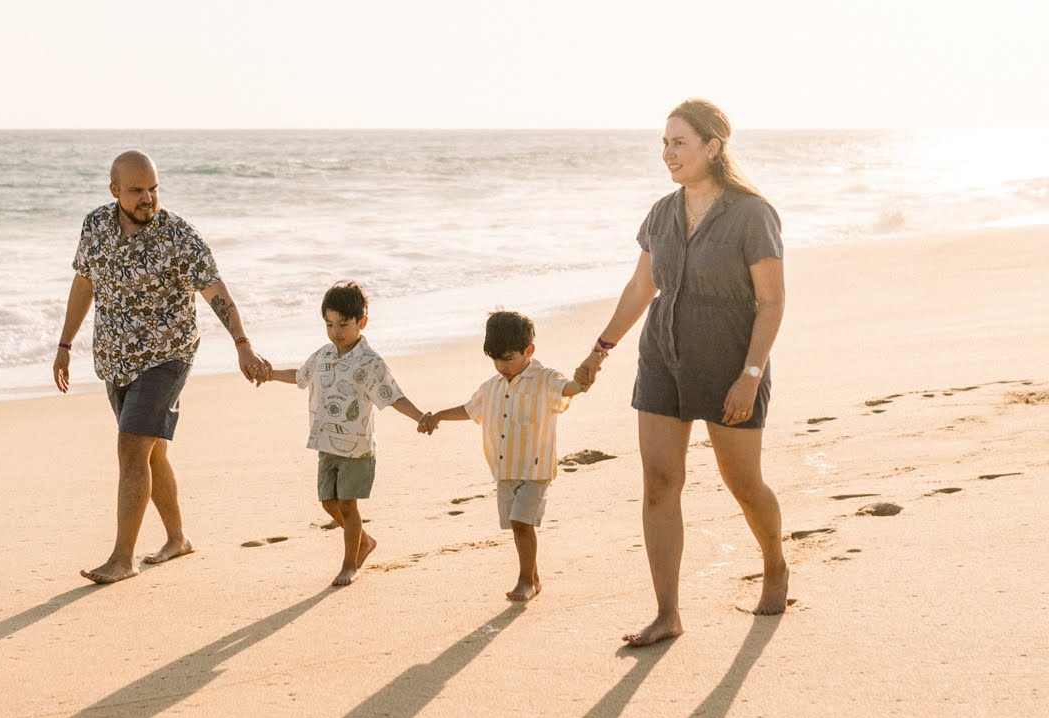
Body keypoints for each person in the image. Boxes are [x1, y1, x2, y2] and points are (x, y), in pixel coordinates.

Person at [574, 99, 787, 645]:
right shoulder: (661, 212)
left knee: (742, 484)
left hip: (730, 365)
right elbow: (642, 288)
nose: (667, 153)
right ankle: (667, 613)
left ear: (712, 148)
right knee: (659, 486)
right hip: (662, 360)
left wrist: (751, 374)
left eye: (679, 143)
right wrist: (601, 349)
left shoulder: (752, 214)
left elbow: (771, 302)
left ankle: (775, 563)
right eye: (664, 143)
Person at [54, 150, 272, 585]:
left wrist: (242, 344)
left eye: (153, 188)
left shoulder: (179, 236)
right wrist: (65, 343)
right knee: (151, 453)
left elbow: (215, 290)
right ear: (115, 190)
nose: (148, 198)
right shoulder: (95, 226)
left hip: (168, 356)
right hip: (116, 359)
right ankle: (178, 538)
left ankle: (122, 558)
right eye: (137, 190)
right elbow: (84, 282)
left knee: (132, 446)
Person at [266, 281, 425, 586]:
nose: (335, 331)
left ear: (361, 322)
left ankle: (349, 564)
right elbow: (300, 376)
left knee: (349, 506)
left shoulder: (370, 362)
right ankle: (364, 541)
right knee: (329, 503)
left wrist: (420, 416)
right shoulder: (323, 355)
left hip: (356, 449)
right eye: (329, 324)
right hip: (326, 444)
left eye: (343, 324)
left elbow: (393, 395)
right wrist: (270, 374)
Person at [418, 311, 584, 601]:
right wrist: (439, 417)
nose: (501, 366)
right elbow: (469, 410)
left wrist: (585, 378)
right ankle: (534, 577)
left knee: (522, 522)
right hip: (504, 469)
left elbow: (568, 389)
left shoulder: (545, 378)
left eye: (507, 358)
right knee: (516, 525)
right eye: (495, 359)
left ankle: (525, 581)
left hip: (535, 469)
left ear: (528, 351)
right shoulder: (491, 387)